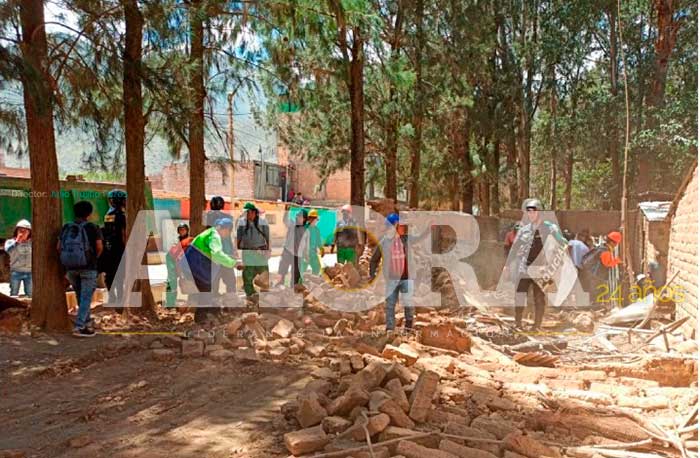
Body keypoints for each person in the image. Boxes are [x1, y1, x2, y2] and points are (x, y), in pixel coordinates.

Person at [507, 198, 567, 330]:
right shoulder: (524, 230)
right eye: (529, 212)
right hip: (524, 268)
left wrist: (554, 264)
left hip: (541, 269)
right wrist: (507, 265)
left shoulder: (550, 228)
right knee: (519, 295)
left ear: (540, 212)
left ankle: (537, 325)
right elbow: (514, 249)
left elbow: (563, 243)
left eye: (534, 211)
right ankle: (518, 323)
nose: (531, 214)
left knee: (539, 298)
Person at [369, 212, 431, 332]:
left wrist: (428, 229)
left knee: (408, 303)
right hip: (391, 279)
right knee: (390, 305)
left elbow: (419, 238)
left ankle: (408, 327)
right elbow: (374, 260)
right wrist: (372, 274)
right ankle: (390, 329)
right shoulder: (384, 242)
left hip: (406, 277)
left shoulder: (406, 239)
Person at [59, 201, 104, 337]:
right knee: (86, 298)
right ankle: (79, 327)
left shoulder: (66, 227)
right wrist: (94, 258)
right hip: (88, 267)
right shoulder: (93, 227)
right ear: (89, 214)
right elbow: (99, 247)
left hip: (71, 268)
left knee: (80, 296)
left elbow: (58, 247)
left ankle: (86, 323)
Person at [184, 218, 240, 323]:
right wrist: (233, 263)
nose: (228, 235)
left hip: (193, 262)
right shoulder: (215, 236)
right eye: (229, 232)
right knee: (206, 289)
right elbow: (217, 254)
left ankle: (212, 312)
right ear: (225, 229)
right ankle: (201, 318)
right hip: (195, 263)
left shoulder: (210, 232)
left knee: (207, 288)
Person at [237, 202, 270, 306]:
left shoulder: (263, 222)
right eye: (245, 212)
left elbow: (268, 237)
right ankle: (251, 296)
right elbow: (238, 237)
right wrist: (236, 251)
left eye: (247, 212)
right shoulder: (241, 222)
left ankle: (265, 297)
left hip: (260, 251)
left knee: (264, 273)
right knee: (247, 274)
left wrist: (268, 251)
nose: (246, 214)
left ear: (253, 212)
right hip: (247, 252)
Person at [99, 189, 127, 304]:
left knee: (110, 273)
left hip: (109, 247)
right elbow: (123, 234)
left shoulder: (108, 215)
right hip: (119, 248)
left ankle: (112, 296)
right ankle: (120, 297)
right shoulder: (121, 216)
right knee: (120, 273)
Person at [580, 231, 623, 304]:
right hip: (596, 275)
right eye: (616, 243)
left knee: (595, 294)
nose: (616, 245)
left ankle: (594, 307)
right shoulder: (605, 251)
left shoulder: (602, 247)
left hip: (592, 274)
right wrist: (617, 261)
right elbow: (607, 263)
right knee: (596, 295)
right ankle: (594, 308)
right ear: (612, 242)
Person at [205, 196, 236, 294]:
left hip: (213, 253)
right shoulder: (228, 217)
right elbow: (230, 236)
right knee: (230, 280)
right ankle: (231, 298)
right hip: (226, 251)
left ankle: (214, 297)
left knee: (214, 280)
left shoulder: (207, 216)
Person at [277, 208, 308, 287]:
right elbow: (285, 220)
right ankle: (280, 285)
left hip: (298, 255)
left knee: (295, 274)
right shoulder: (292, 224)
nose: (297, 217)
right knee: (282, 270)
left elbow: (305, 244)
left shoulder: (306, 231)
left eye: (299, 216)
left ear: (304, 219)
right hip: (287, 251)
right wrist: (287, 211)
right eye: (297, 215)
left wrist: (306, 255)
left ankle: (293, 289)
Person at [165, 223, 193, 307]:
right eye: (180, 230)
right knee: (171, 281)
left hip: (183, 262)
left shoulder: (190, 240)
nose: (182, 231)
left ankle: (191, 301)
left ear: (187, 230)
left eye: (184, 229)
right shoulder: (176, 242)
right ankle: (170, 303)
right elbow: (174, 253)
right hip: (172, 261)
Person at [4, 219, 32, 297]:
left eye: (25, 231)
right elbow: (8, 250)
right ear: (16, 231)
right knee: (14, 294)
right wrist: (17, 242)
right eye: (20, 230)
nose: (22, 233)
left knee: (30, 295)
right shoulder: (10, 242)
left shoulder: (32, 243)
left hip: (29, 272)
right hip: (16, 272)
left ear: (29, 232)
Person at [300, 209, 324, 276]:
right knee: (302, 270)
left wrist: (321, 248)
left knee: (317, 267)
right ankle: (300, 281)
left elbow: (318, 241)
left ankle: (313, 279)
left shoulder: (316, 230)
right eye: (314, 219)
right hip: (304, 254)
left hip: (313, 254)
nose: (315, 221)